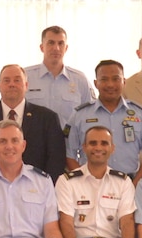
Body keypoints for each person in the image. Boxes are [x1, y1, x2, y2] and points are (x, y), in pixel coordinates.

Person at [0, 64, 67, 179]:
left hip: (35, 187)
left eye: (17, 80)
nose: (12, 84)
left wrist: (46, 187)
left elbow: (56, 161)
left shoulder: (47, 119)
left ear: (26, 85)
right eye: (7, 80)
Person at [69, 59, 142, 178]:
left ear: (124, 82)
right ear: (96, 83)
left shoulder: (140, 114)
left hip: (129, 181)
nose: (110, 84)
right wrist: (82, 180)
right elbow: (68, 154)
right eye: (104, 79)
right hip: (90, 181)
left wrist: (136, 184)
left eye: (116, 79)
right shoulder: (80, 115)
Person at [25, 26, 94, 159]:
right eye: (51, 43)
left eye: (60, 43)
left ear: (66, 48)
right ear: (42, 47)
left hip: (67, 151)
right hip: (31, 149)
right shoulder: (26, 77)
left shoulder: (80, 79)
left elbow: (90, 117)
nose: (56, 48)